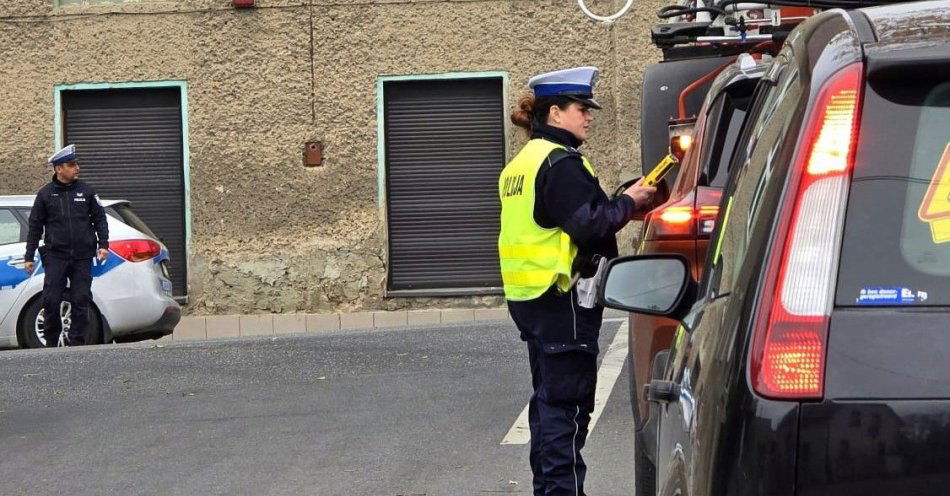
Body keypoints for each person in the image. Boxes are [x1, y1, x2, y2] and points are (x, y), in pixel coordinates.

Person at [498, 66, 655, 496]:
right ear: (555, 112)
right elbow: (587, 226)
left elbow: (561, 218)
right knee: (566, 408)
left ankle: (549, 489)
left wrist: (621, 202)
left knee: (549, 403)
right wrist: (630, 201)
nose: (588, 116)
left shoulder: (523, 163)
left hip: (532, 298)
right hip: (562, 298)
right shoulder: (560, 163)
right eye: (581, 108)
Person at [23, 144, 109, 347]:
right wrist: (28, 256)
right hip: (56, 256)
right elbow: (35, 226)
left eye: (76, 164)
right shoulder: (45, 194)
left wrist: (103, 244)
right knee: (51, 300)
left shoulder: (86, 191)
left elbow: (100, 219)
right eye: (71, 165)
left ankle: (78, 343)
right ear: (58, 168)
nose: (77, 168)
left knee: (81, 299)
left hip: (82, 256)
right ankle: (52, 344)